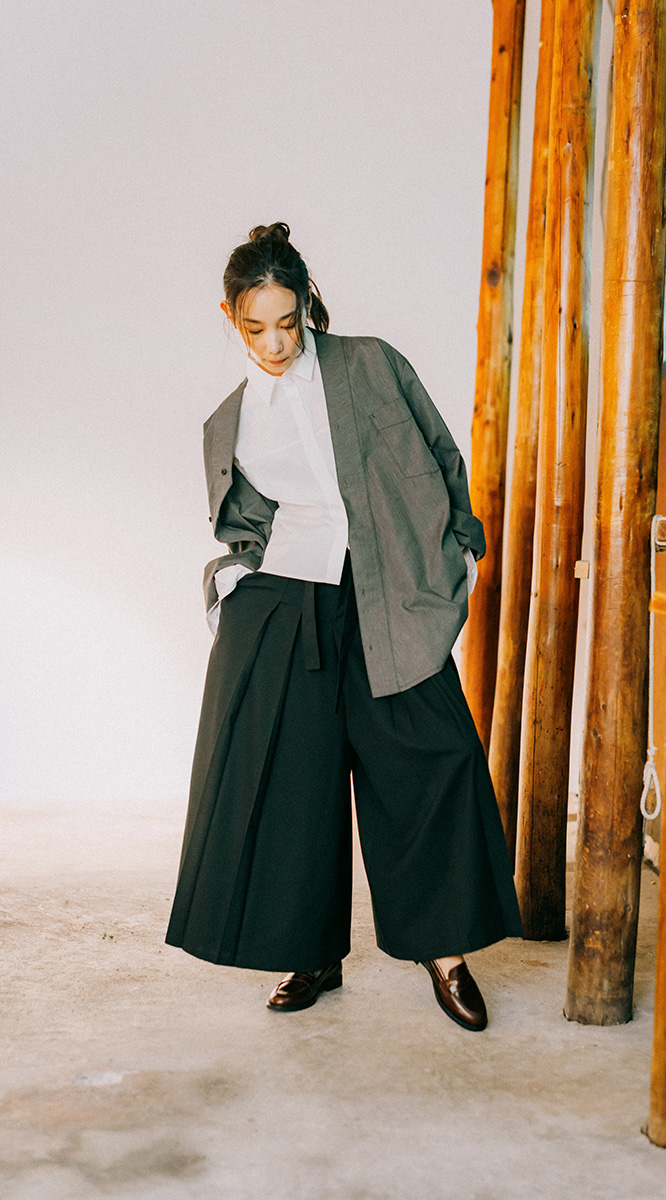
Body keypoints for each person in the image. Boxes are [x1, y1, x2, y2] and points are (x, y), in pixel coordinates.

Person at [165, 222, 522, 1031]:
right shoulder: (229, 423)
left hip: (387, 591)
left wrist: (461, 549)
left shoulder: (370, 364)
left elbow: (441, 455)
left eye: (288, 321)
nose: (275, 342)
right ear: (231, 318)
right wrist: (239, 584)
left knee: (430, 758)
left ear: (307, 304)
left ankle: (444, 951)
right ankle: (310, 952)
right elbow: (246, 526)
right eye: (256, 326)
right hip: (286, 602)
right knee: (295, 782)